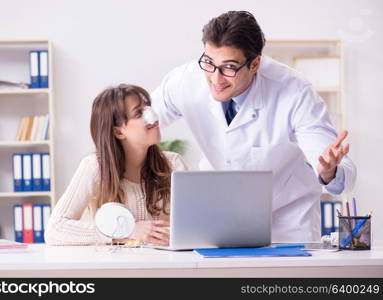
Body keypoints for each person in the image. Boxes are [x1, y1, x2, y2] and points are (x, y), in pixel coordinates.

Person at [151, 11, 356, 242]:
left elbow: (337, 169)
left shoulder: (294, 92)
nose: (216, 79)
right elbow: (142, 121)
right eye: (209, 63)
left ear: (255, 63)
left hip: (286, 224)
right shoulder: (185, 80)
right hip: (219, 217)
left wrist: (329, 171)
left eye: (229, 67)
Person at [45, 84, 187, 246]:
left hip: (167, 266)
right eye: (139, 113)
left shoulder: (173, 164)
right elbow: (55, 229)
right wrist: (127, 231)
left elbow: (196, 223)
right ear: (118, 132)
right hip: (113, 268)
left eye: (148, 108)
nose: (153, 117)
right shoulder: (95, 166)